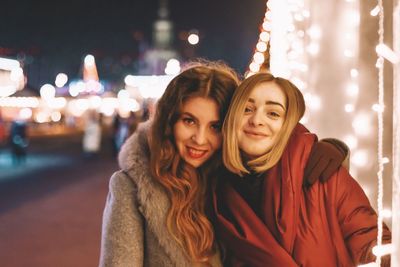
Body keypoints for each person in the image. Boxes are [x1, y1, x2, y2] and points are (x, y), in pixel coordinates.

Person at [99, 62, 346, 266]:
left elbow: (291, 157)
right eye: (189, 120)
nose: (200, 139)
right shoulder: (132, 187)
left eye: (215, 126)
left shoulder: (238, 179)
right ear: (169, 122)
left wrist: (331, 149)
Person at [212, 72, 392, 267]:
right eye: (247, 109)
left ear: (288, 124)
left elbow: (374, 244)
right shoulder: (213, 190)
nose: (256, 120)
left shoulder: (324, 176)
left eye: (273, 113)